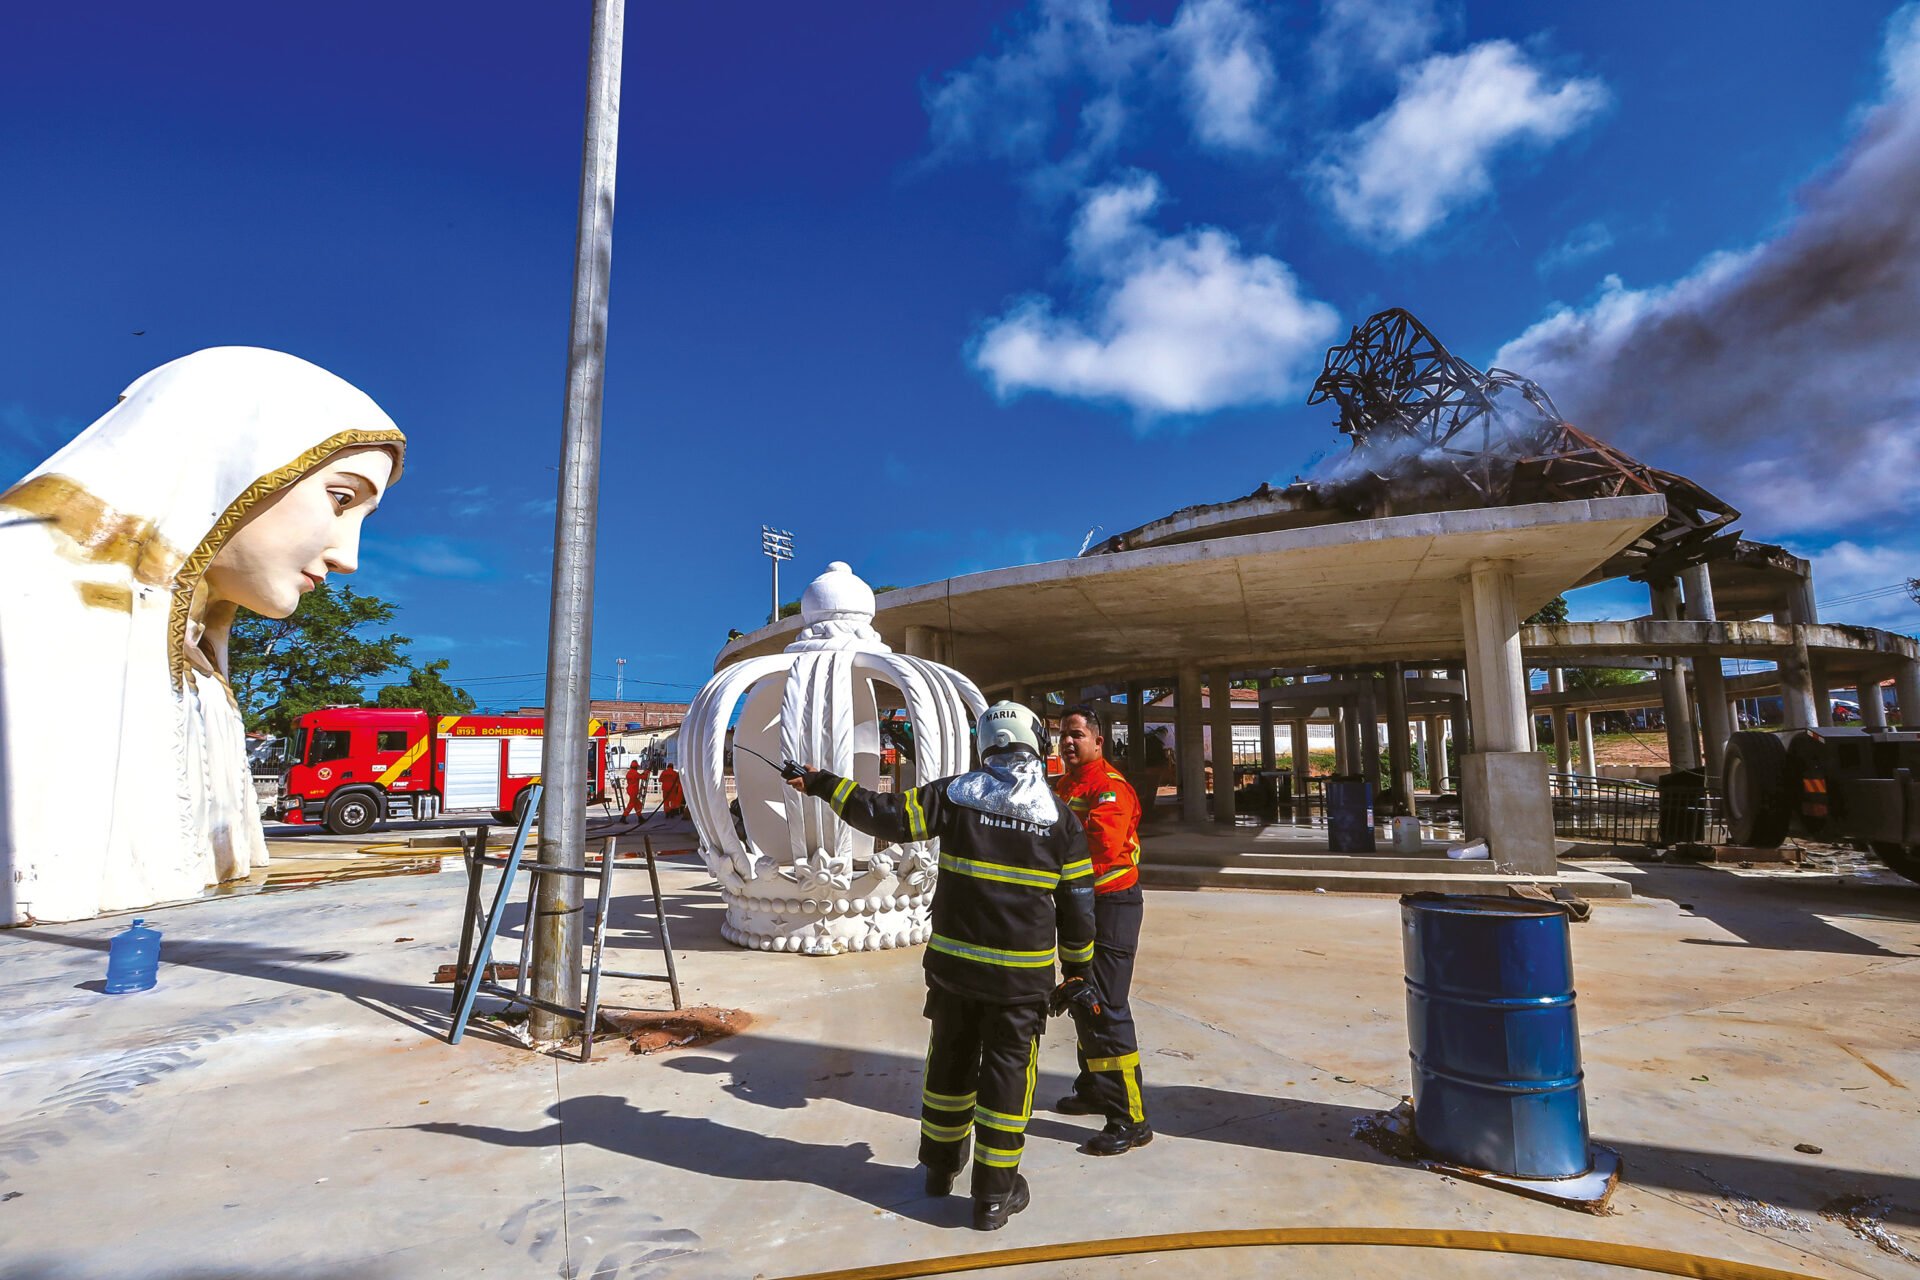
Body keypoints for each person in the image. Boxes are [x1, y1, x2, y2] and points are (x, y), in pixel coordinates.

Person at [0, 348, 404, 924]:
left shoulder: (200, 654)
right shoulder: (19, 589)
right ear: (234, 461)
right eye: (340, 499)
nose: (349, 558)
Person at [788, 701, 1096, 1231]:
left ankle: (938, 1168)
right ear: (1035, 745)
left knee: (949, 1065)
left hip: (954, 971)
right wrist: (1077, 970)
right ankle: (994, 1197)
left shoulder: (953, 795)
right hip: (1020, 983)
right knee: (1006, 1079)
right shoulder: (1060, 821)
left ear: (987, 744)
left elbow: (879, 815)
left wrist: (821, 783)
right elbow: (1079, 906)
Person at [1051, 704, 1152, 1155]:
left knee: (1106, 1007)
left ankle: (1130, 1118)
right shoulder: (1067, 785)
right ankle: (1093, 1087)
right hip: (1080, 905)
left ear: (1097, 740)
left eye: (1076, 734)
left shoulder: (1110, 788)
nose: (1068, 742)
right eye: (1062, 735)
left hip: (1111, 905)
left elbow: (1103, 845)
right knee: (1080, 994)